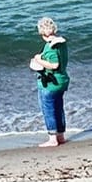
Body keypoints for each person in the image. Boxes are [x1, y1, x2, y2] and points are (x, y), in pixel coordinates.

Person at [29, 16, 70, 146]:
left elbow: (54, 64)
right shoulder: (61, 44)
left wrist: (38, 59)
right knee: (58, 108)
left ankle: (52, 138)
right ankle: (60, 135)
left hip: (51, 83)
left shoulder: (50, 46)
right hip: (62, 80)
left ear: (41, 32)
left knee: (48, 109)